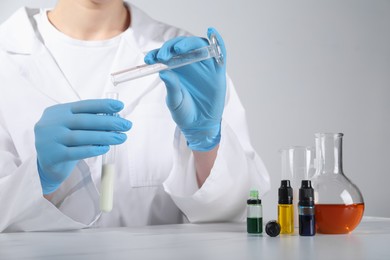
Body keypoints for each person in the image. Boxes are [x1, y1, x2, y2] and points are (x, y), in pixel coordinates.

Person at [0, 0, 269, 232]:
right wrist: (37, 179)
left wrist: (206, 142)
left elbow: (236, 212)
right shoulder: (6, 55)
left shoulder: (186, 58)